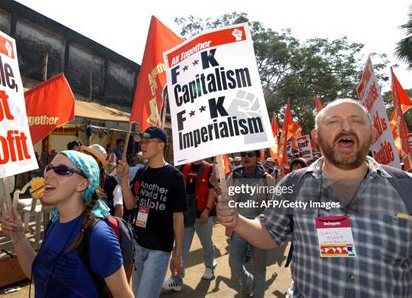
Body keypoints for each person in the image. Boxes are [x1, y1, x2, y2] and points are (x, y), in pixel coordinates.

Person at [218, 98, 412, 297]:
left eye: (356, 120)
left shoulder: (406, 187)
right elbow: (269, 233)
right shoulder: (293, 185)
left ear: (372, 132)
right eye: (333, 121)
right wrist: (236, 221)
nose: (346, 127)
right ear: (317, 136)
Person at [1, 150, 133, 298]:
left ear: (82, 184)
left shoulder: (99, 237)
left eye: (62, 170)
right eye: (49, 168)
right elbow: (39, 274)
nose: (48, 174)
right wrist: (18, 235)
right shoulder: (54, 223)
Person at [117, 126, 186, 298]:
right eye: (142, 142)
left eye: (148, 141)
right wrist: (124, 180)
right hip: (138, 245)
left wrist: (177, 254)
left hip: (160, 250)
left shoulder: (175, 177)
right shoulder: (142, 172)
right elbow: (131, 204)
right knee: (136, 293)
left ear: (161, 145)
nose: (143, 145)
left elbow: (178, 217)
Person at [163, 159, 217, 291]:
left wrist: (207, 209)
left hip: (202, 215)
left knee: (207, 243)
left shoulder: (209, 168)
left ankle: (209, 266)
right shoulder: (184, 167)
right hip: (186, 216)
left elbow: (212, 191)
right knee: (180, 249)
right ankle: (176, 278)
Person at [226, 150, 275, 298]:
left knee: (259, 268)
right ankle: (246, 281)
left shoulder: (268, 179)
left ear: (257, 158)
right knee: (234, 262)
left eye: (250, 155)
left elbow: (273, 205)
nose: (246, 157)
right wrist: (217, 187)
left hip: (260, 228)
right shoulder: (233, 177)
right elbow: (226, 199)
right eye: (244, 154)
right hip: (239, 227)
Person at [82, 143, 124, 218]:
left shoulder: (112, 182)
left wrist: (112, 229)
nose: (85, 160)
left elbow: (119, 208)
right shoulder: (80, 178)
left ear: (97, 160)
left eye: (89, 157)